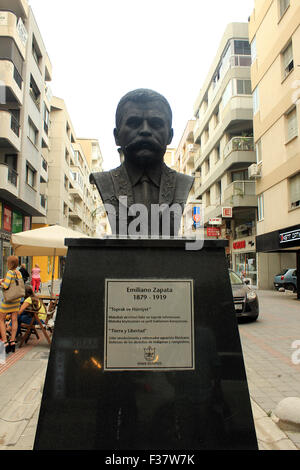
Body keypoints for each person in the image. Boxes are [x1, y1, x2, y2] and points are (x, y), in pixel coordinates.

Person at [90, 88, 194, 236]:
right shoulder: (104, 182)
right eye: (134, 123)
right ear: (117, 136)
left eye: (156, 124)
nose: (145, 130)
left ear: (170, 136)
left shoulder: (183, 184)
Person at [0, 255, 23, 353]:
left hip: (8, 300)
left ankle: (5, 342)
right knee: (14, 320)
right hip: (16, 300)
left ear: (10, 263)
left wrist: (1, 282)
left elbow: (6, 286)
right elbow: (16, 284)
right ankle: (13, 342)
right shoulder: (19, 273)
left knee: (1, 319)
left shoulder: (9, 272)